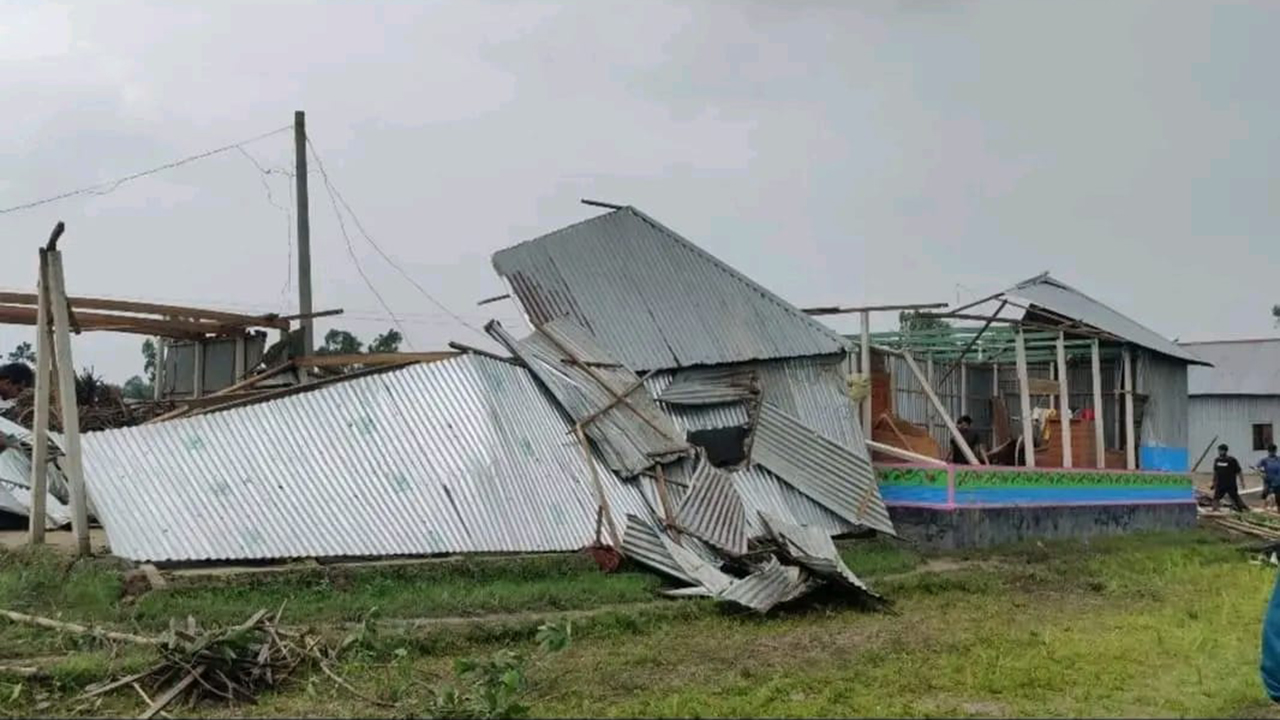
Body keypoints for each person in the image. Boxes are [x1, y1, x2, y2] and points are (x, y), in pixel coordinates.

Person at [0, 362, 33, 453]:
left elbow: (12, 436)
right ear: (8, 383)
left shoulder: (8, 408)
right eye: (18, 389)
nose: (17, 396)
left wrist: (14, 440)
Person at [1211, 443, 1248, 513]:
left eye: (1221, 450)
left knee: (1235, 498)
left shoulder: (1231, 460)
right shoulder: (1217, 460)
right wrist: (1213, 482)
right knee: (1216, 498)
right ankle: (1215, 511)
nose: (1219, 452)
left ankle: (1241, 510)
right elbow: (1215, 472)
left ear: (1225, 451)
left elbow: (1239, 471)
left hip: (1230, 484)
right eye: (1219, 450)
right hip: (1220, 484)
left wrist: (1242, 482)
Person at [1260, 444, 1280, 513]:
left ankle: (1278, 511)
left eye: (1273, 451)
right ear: (1268, 451)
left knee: (1278, 497)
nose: (1272, 453)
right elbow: (1258, 468)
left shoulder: (1279, 459)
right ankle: (1263, 510)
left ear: (1275, 451)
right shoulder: (1265, 460)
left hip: (1278, 481)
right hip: (1268, 481)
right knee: (1265, 495)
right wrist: (1262, 473)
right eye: (1271, 451)